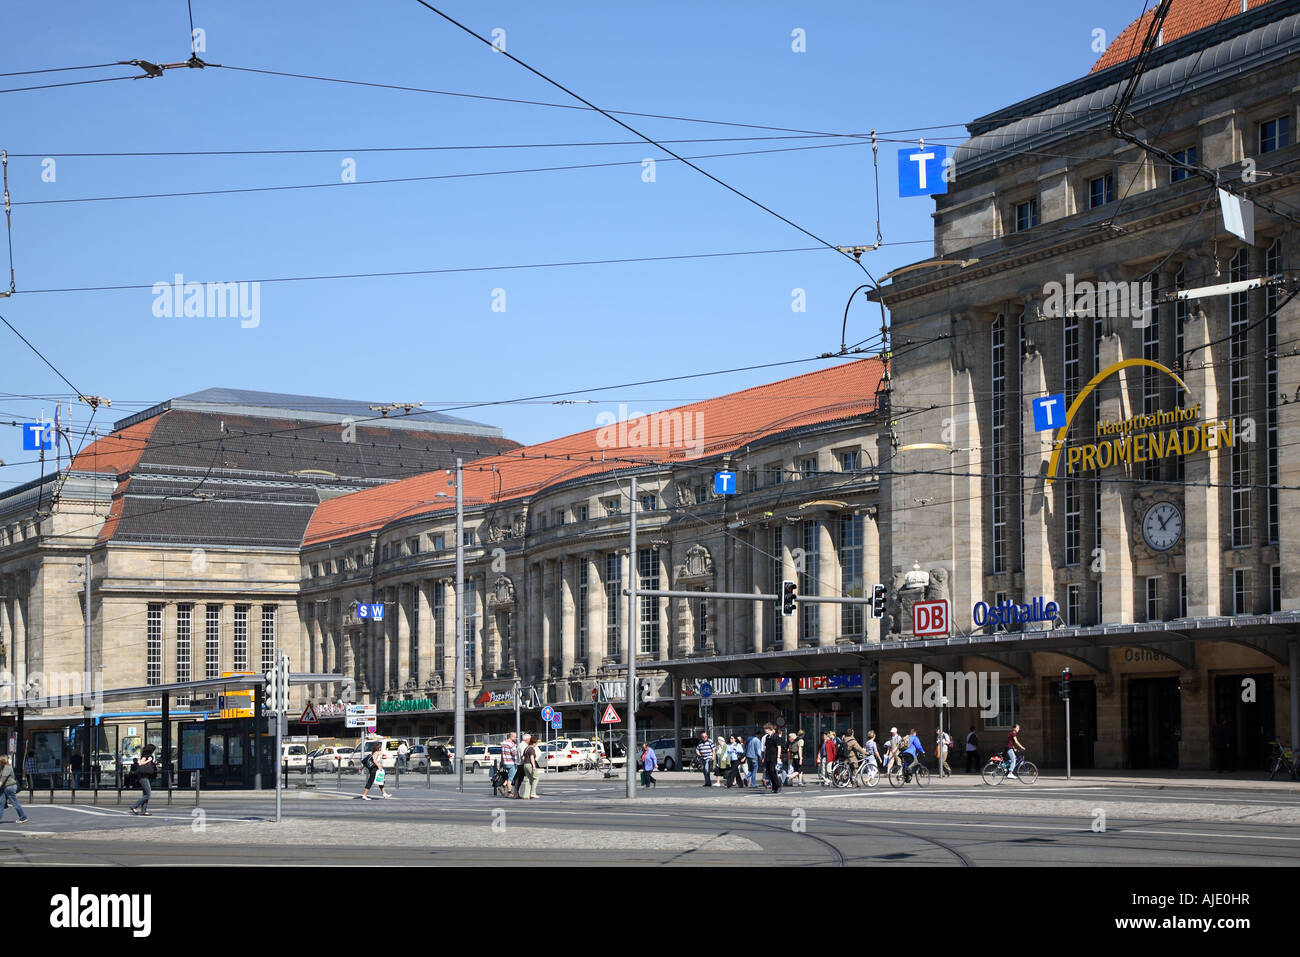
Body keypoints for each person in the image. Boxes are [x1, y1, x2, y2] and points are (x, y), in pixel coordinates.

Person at [128, 744, 157, 816]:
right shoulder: (146, 756)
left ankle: (143, 811)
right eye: (153, 750)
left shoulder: (147, 755)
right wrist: (149, 760)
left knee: (145, 794)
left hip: (145, 776)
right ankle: (134, 806)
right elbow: (140, 763)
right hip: (143, 777)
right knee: (148, 794)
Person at [0, 756, 28, 824]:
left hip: (10, 787)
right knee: (1, 803)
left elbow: (2, 780)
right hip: (5, 788)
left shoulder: (7, 768)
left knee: (15, 803)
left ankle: (23, 817)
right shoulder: (3, 767)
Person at [763, 724, 782, 794]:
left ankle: (778, 785)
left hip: (774, 756)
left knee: (772, 771)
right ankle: (774, 787)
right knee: (769, 772)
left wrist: (778, 757)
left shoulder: (775, 736)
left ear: (769, 729)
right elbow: (766, 748)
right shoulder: (767, 737)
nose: (765, 730)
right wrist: (764, 757)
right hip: (768, 756)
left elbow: (779, 747)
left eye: (765, 729)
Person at [500, 732, 519, 797]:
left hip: (505, 762)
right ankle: (509, 792)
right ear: (512, 736)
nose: (516, 738)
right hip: (511, 762)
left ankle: (503, 786)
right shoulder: (511, 744)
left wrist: (502, 762)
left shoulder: (503, 743)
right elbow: (514, 754)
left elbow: (502, 754)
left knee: (510, 776)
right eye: (515, 737)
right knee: (511, 778)